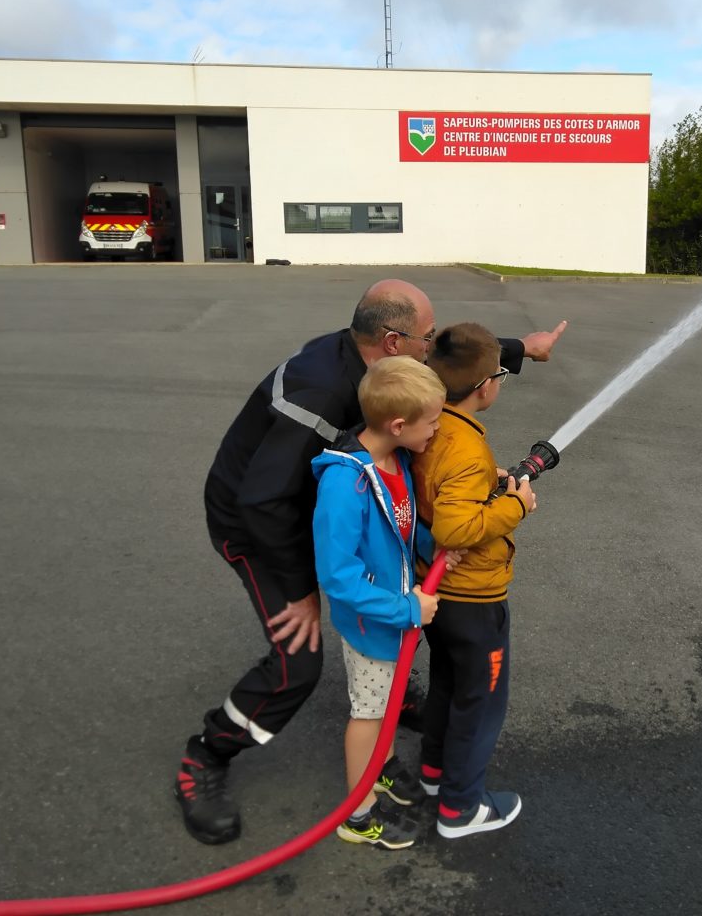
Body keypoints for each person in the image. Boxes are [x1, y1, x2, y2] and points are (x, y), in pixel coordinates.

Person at [174, 278, 566, 845]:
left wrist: (517, 350)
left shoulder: (379, 371)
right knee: (297, 660)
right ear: (391, 342)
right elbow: (263, 501)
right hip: (255, 521)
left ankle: (387, 698)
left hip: (325, 508)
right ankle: (206, 758)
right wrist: (302, 592)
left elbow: (449, 359)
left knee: (382, 605)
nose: (432, 346)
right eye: (427, 337)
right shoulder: (318, 394)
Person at [311, 356, 452, 850]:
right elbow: (339, 577)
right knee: (369, 713)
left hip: (394, 619)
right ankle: (359, 814)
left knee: (388, 702)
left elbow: (403, 529)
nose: (437, 429)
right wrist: (408, 611)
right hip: (377, 624)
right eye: (432, 421)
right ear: (399, 425)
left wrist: (435, 549)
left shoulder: (396, 461)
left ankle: (384, 766)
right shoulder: (344, 485)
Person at [411, 322, 538, 839]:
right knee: (481, 700)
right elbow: (456, 527)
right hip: (473, 598)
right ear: (486, 384)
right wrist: (516, 504)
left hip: (438, 595)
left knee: (449, 682)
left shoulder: (434, 426)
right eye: (501, 376)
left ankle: (437, 775)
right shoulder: (466, 448)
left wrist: (493, 491)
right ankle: (461, 809)